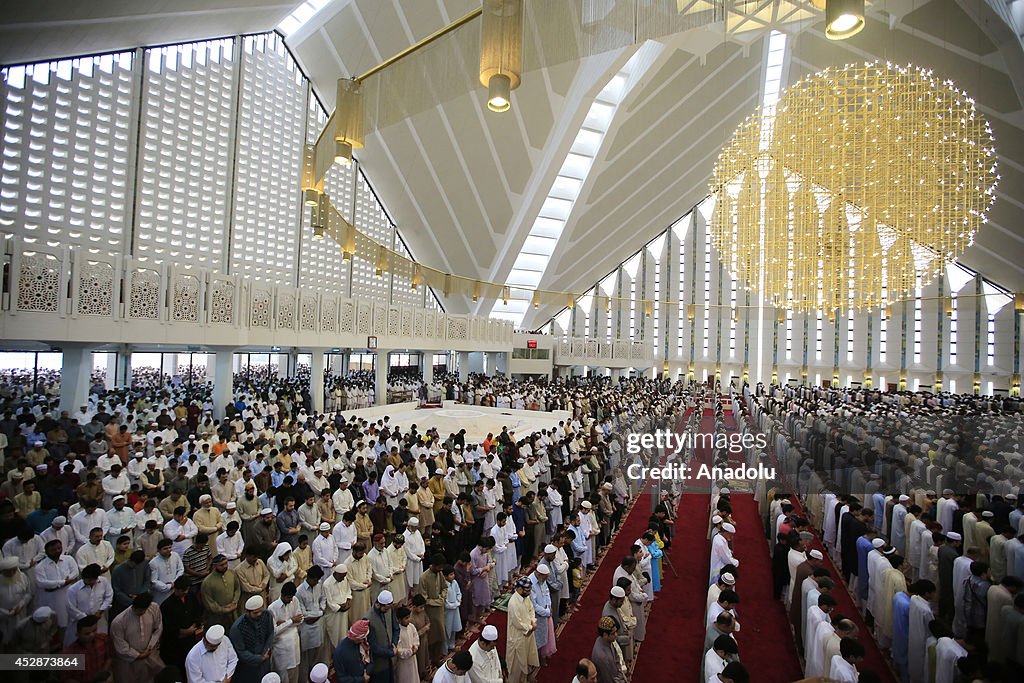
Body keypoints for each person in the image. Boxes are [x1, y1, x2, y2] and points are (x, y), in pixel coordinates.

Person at [110, 593, 165, 681]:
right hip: (129, 661)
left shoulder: (154, 608)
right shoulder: (119, 621)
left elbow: (158, 628)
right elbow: (120, 645)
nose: (142, 613)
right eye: (139, 610)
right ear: (133, 607)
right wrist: (137, 655)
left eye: (144, 610)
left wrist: (150, 647)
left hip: (150, 655)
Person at [161, 576, 205, 674]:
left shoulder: (191, 597)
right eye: (183, 590)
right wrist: (182, 632)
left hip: (190, 639)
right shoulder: (166, 605)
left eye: (187, 590)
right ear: (176, 589)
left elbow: (198, 611)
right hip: (174, 645)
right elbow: (167, 626)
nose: (185, 592)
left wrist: (195, 625)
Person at [228, 595, 275, 683]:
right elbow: (240, 651)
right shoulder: (238, 628)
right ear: (247, 612)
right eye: (255, 613)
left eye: (260, 611)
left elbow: (270, 633)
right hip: (248, 666)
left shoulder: (267, 615)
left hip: (265, 661)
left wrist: (265, 652)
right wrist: (258, 658)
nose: (259, 614)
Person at [296, 565, 327, 681]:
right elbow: (303, 614)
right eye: (315, 580)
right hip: (306, 629)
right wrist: (319, 614)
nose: (316, 582)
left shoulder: (319, 585)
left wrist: (322, 609)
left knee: (318, 654)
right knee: (305, 658)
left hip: (318, 625)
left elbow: (323, 598)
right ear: (308, 577)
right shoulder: (299, 591)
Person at [62, 614, 113, 683]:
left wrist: (103, 675)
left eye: (94, 630)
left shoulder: (103, 639)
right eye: (87, 633)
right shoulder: (69, 653)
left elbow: (109, 657)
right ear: (78, 634)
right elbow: (66, 678)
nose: (92, 635)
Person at [506, 576, 539, 683]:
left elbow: (531, 610)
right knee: (516, 666)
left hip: (528, 635)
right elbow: (517, 622)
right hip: (517, 638)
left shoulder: (526, 597)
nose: (529, 592)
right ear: (519, 589)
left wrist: (533, 621)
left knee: (526, 661)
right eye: (527, 590)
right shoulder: (513, 603)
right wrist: (530, 627)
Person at [269, 581, 302, 683]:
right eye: (288, 597)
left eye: (292, 597)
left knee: (294, 675)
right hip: (281, 649)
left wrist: (283, 623)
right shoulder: (272, 608)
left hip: (294, 645)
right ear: (282, 595)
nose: (291, 600)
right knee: (282, 677)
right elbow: (273, 632)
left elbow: (300, 619)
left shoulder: (294, 600)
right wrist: (291, 621)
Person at [202, 553, 241, 630]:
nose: (225, 566)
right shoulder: (207, 582)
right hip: (218, 617)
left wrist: (234, 602)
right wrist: (224, 610)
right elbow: (209, 602)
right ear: (215, 566)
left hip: (233, 613)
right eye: (221, 565)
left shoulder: (231, 573)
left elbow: (237, 588)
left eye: (226, 563)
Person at [0, 555, 32, 646]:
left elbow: (28, 594)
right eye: (7, 571)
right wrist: (6, 612)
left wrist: (20, 605)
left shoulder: (22, 577)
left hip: (20, 613)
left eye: (13, 570)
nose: (11, 573)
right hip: (3, 617)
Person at [333, 618, 370, 683]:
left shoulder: (362, 644)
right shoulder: (340, 652)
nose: (363, 640)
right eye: (362, 638)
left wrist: (366, 673)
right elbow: (341, 678)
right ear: (357, 638)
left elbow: (370, 660)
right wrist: (361, 680)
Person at [591, 616, 627, 683]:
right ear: (605, 635)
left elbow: (616, 656)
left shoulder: (607, 640)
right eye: (613, 633)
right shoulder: (601, 657)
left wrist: (620, 674)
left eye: (616, 632)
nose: (616, 635)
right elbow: (607, 680)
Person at [394, 606, 420, 683]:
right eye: (406, 618)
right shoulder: (397, 632)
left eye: (409, 617)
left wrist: (415, 647)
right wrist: (409, 652)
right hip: (403, 663)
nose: (408, 620)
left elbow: (416, 638)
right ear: (399, 620)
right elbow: (398, 650)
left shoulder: (411, 627)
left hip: (413, 659)